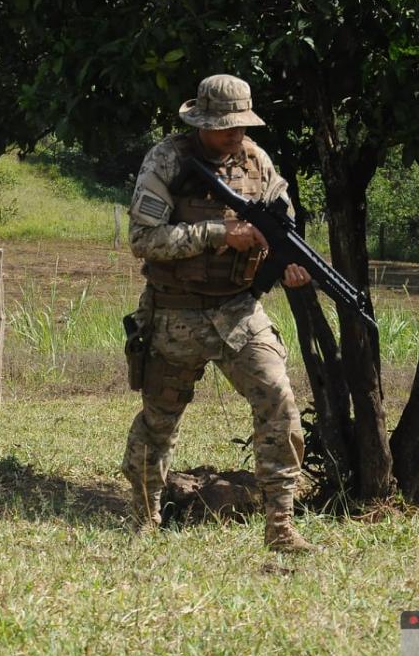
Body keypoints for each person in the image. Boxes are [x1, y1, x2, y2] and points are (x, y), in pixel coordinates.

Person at [121, 74, 315, 553]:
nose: (236, 134)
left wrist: (287, 265)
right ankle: (145, 518)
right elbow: (144, 240)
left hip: (238, 310)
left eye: (241, 125)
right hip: (174, 312)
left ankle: (281, 525)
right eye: (226, 126)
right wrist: (218, 233)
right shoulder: (167, 161)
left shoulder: (256, 160)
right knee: (159, 420)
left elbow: (282, 225)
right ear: (202, 123)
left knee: (279, 402)